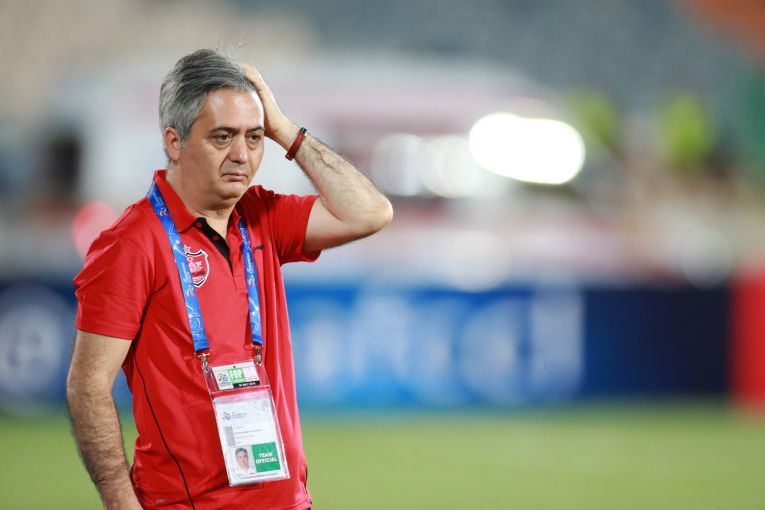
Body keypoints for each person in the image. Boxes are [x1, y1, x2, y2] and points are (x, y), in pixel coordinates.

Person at [66, 49, 392, 510]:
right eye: (222, 137)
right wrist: (120, 501)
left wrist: (284, 129)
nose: (242, 155)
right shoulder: (131, 243)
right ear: (174, 142)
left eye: (254, 137)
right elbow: (88, 385)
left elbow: (370, 212)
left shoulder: (262, 217)